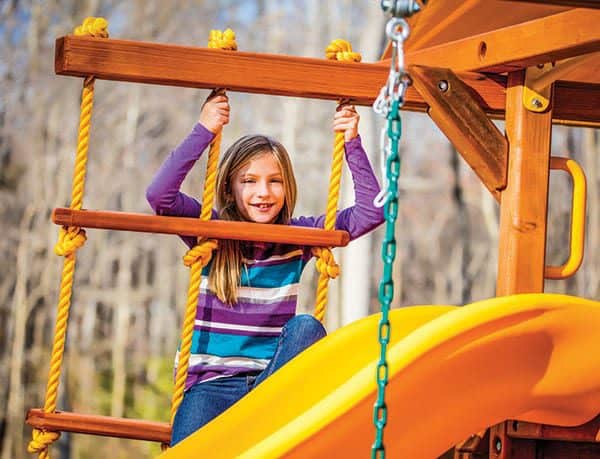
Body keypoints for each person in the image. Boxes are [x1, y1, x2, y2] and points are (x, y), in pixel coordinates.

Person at [146, 91, 384, 446]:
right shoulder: (212, 232)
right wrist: (204, 130)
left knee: (306, 326)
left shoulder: (296, 237)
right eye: (249, 181)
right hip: (211, 386)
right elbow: (160, 196)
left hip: (268, 386)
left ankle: (268, 415)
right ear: (229, 186)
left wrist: (352, 143)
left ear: (288, 188)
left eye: (275, 180)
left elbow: (371, 212)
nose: (263, 192)